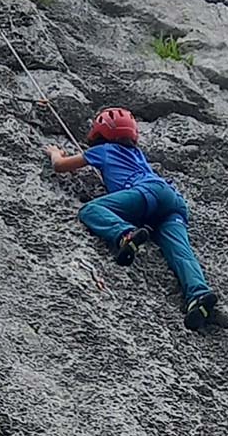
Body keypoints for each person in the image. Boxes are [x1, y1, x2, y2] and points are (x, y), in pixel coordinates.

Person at [44, 107, 218, 330]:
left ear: (100, 132)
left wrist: (55, 153)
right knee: (181, 252)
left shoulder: (104, 150)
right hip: (172, 200)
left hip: (145, 194)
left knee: (90, 210)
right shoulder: (137, 154)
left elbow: (61, 167)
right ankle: (199, 296)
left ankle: (125, 234)